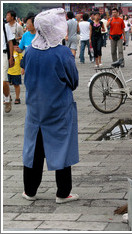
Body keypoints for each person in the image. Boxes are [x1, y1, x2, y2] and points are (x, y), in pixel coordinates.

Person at [21, 8, 79, 204]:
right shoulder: (62, 53)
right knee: (61, 146)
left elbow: (26, 79)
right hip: (58, 108)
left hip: (35, 108)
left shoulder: (29, 52)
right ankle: (63, 193)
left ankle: (30, 191)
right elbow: (73, 81)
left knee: (33, 149)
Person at [3, 22, 15, 113]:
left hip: (3, 54)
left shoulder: (5, 26)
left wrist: (11, 57)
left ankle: (7, 99)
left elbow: (10, 42)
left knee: (3, 81)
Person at [7, 39, 23, 104]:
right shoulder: (7, 52)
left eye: (17, 46)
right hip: (7, 71)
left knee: (16, 85)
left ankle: (17, 98)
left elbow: (22, 60)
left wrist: (23, 69)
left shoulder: (18, 52)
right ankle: (8, 96)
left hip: (16, 72)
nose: (16, 47)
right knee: (6, 85)